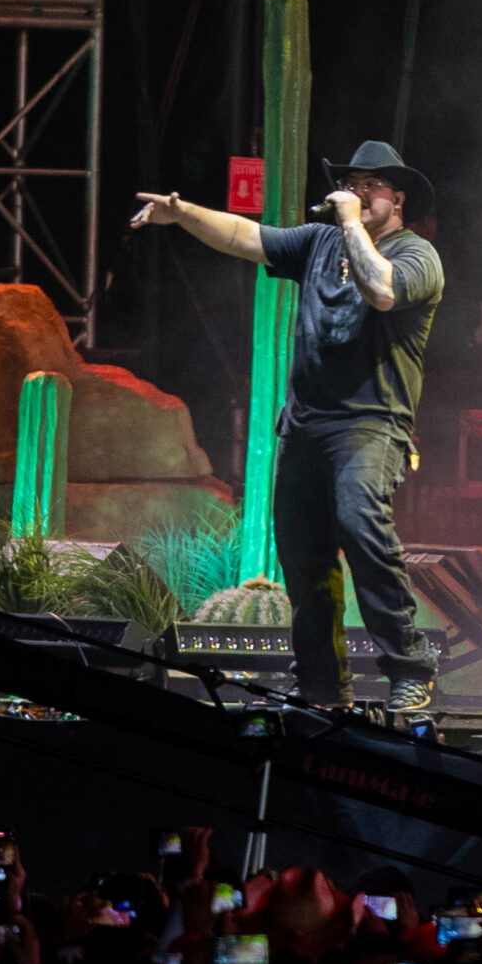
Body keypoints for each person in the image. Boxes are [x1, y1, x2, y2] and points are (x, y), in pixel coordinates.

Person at [132, 141, 444, 712]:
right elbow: (244, 237)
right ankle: (321, 686)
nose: (356, 190)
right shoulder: (319, 242)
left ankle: (408, 666)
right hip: (304, 426)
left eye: (370, 184)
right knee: (304, 559)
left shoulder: (417, 255)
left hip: (371, 426)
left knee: (361, 524)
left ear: (397, 199)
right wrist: (184, 215)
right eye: (352, 182)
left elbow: (381, 291)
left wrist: (352, 223)